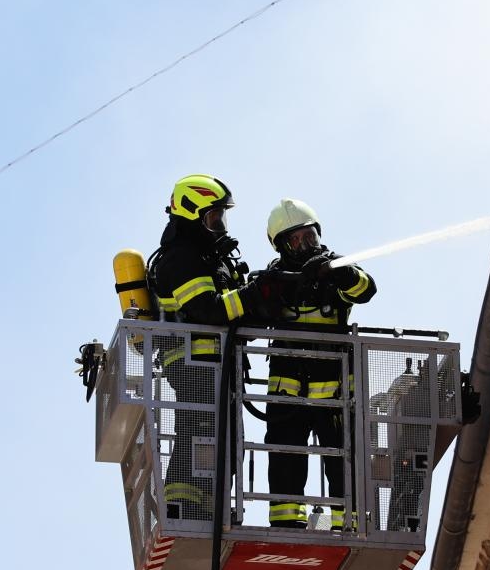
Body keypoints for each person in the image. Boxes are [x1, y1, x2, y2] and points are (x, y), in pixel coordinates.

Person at [148, 174, 285, 522]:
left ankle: (211, 511)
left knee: (226, 441)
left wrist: (267, 296)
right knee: (198, 432)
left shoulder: (211, 259)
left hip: (220, 363)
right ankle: (181, 509)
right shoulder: (181, 257)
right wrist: (252, 296)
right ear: (192, 214)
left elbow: (236, 313)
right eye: (213, 216)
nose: (220, 224)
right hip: (193, 362)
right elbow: (207, 310)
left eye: (221, 216)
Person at [261, 199, 376, 530]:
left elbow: (366, 289)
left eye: (309, 236)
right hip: (287, 389)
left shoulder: (337, 268)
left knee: (343, 458)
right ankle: (286, 523)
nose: (305, 245)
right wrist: (284, 285)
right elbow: (257, 307)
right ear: (282, 247)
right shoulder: (275, 279)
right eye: (296, 240)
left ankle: (348, 523)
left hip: (334, 388)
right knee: (285, 456)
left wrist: (339, 271)